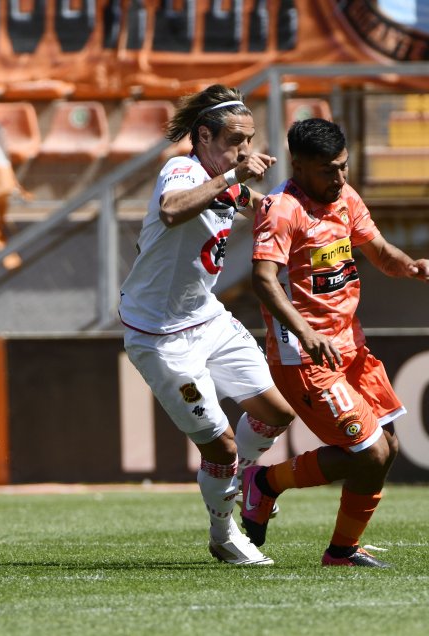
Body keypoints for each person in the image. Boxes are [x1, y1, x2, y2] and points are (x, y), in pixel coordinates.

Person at [243, 118, 429, 567]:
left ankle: (342, 551)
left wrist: (410, 266)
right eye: (328, 171)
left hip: (351, 349)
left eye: (343, 167)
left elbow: (380, 251)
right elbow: (263, 280)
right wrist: (306, 334)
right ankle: (266, 484)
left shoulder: (345, 199)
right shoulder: (282, 209)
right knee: (367, 453)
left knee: (387, 448)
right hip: (303, 357)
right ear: (300, 165)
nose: (340, 178)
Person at [120, 85, 295, 566]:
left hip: (207, 317)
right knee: (220, 445)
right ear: (203, 136)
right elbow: (173, 210)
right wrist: (235, 175)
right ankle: (223, 532)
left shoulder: (225, 175)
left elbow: (257, 204)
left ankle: (236, 482)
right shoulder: (181, 170)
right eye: (235, 139)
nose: (244, 149)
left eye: (249, 139)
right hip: (161, 336)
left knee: (278, 413)